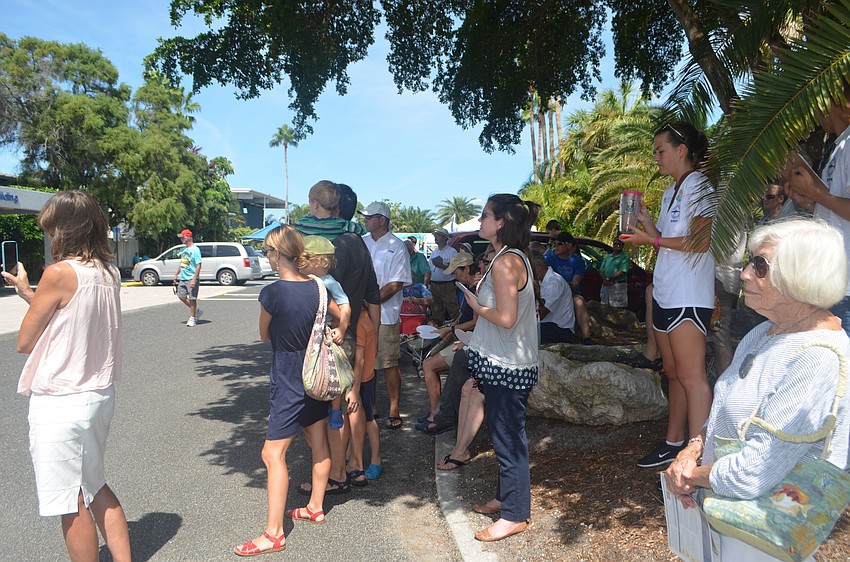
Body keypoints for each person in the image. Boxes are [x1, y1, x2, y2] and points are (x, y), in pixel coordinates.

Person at [664, 219, 850, 561]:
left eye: (760, 266)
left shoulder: (817, 357)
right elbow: (724, 410)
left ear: (800, 274)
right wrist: (694, 447)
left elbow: (756, 470)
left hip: (765, 532)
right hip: (730, 515)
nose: (746, 273)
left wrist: (692, 475)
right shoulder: (767, 332)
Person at [2, 190, 131, 562]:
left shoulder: (59, 273)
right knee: (94, 483)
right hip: (98, 394)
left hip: (62, 400)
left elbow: (26, 340)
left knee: (68, 499)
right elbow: (72, 319)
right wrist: (31, 294)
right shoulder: (108, 272)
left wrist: (32, 294)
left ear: (63, 230)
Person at [622, 121, 715, 470]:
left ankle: (699, 456)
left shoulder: (701, 187)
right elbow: (669, 239)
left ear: (682, 150)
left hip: (689, 295)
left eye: (661, 150)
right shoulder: (670, 192)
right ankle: (673, 442)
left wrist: (652, 241)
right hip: (665, 291)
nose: (656, 157)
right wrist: (647, 224)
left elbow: (699, 243)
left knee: (692, 377)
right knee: (673, 372)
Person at [234, 225, 332, 556]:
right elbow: (335, 319)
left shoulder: (272, 293)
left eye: (267, 251)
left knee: (272, 454)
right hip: (316, 374)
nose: (267, 257)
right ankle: (315, 506)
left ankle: (274, 533)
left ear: (277, 254)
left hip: (289, 376)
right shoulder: (319, 287)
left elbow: (264, 335)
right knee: (318, 442)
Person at [459, 194, 540, 542]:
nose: (480, 222)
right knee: (503, 433)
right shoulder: (508, 258)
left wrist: (476, 305)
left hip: (508, 364)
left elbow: (506, 318)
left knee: (508, 439)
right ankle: (505, 499)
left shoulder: (507, 262)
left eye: (485, 216)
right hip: (504, 362)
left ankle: (515, 515)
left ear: (502, 221)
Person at [787, 88, 850, 338]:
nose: (815, 111)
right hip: (832, 282)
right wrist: (810, 201)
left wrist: (818, 195)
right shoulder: (839, 146)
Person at [360, 201, 412, 429]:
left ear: (382, 220)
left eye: (370, 217)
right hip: (361, 314)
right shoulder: (361, 243)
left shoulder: (397, 246)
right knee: (365, 363)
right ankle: (370, 406)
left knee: (389, 363)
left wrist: (369, 302)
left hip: (386, 316)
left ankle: (394, 407)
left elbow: (395, 284)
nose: (365, 220)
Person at [417, 252, 477, 430]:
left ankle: (436, 415)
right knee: (429, 363)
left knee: (429, 365)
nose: (454, 276)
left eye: (456, 272)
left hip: (470, 341)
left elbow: (475, 321)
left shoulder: (476, 289)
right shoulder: (470, 288)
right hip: (464, 338)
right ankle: (435, 412)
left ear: (467, 268)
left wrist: (451, 329)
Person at [346, 307, 383, 483]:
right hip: (366, 376)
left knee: (368, 419)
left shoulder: (359, 323)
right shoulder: (367, 318)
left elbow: (359, 360)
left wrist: (355, 388)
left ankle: (376, 460)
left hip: (362, 379)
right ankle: (350, 455)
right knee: (361, 418)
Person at [544, 231, 592, 344]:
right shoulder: (550, 258)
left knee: (579, 301)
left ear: (569, 245)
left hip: (570, 293)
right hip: (551, 291)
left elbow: (576, 283)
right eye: (554, 243)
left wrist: (561, 285)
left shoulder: (578, 261)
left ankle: (587, 337)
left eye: (560, 243)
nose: (556, 246)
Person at [531, 250, 575, 344]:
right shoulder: (541, 281)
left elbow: (541, 314)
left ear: (539, 266)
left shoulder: (554, 282)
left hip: (560, 329)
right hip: (548, 326)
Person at [428, 227, 460, 324]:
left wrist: (441, 265)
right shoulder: (434, 252)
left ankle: (458, 327)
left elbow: (455, 270)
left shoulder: (452, 252)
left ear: (445, 238)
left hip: (447, 284)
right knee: (436, 310)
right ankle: (438, 329)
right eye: (436, 235)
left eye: (438, 235)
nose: (436, 237)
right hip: (434, 284)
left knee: (452, 307)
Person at [173, 228, 203, 327]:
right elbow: (183, 263)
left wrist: (194, 279)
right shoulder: (184, 249)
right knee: (181, 295)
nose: (181, 239)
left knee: (192, 298)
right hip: (183, 277)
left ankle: (192, 318)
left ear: (187, 238)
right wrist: (176, 274)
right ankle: (196, 311)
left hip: (191, 277)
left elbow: (199, 264)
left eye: (182, 237)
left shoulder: (195, 249)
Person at [598, 238, 630, 308]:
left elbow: (622, 271)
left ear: (622, 245)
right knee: (603, 307)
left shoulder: (625, 257)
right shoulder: (608, 257)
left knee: (616, 310)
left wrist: (609, 279)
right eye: (615, 243)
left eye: (619, 244)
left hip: (617, 285)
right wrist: (605, 280)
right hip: (606, 285)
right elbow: (601, 270)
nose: (616, 245)